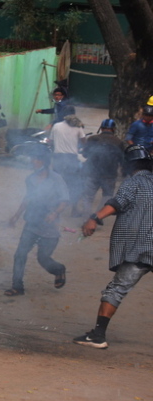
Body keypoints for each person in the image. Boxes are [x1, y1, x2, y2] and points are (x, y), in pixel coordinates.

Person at [73, 144, 153, 349]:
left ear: (130, 164)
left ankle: (98, 335)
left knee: (117, 289)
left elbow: (118, 202)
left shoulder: (133, 182)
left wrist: (94, 218)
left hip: (139, 249)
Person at [4, 148, 69, 296]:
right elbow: (27, 198)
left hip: (49, 226)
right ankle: (17, 286)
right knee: (20, 254)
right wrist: (16, 216)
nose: (33, 161)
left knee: (43, 258)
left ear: (44, 162)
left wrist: (54, 213)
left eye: (36, 159)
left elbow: (64, 200)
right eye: (32, 158)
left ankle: (59, 270)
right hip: (32, 223)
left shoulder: (56, 179)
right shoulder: (30, 179)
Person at [79, 119, 124, 212]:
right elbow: (122, 159)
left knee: (88, 197)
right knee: (107, 196)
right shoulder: (118, 142)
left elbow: (85, 154)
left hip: (92, 173)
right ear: (114, 129)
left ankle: (86, 219)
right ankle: (96, 218)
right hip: (110, 175)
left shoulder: (92, 139)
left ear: (101, 128)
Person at [49, 109, 86, 210]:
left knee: (56, 181)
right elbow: (83, 141)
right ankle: (74, 209)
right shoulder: (78, 127)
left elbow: (50, 142)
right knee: (74, 183)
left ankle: (54, 205)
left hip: (58, 158)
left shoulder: (56, 126)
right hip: (71, 158)